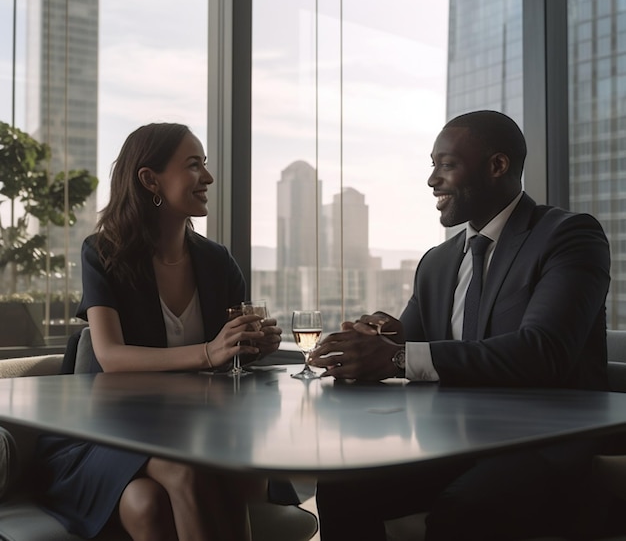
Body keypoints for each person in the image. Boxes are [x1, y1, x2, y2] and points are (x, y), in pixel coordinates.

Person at [309, 110, 611, 541]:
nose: (432, 179)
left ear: (497, 165)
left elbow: (544, 352)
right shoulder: (437, 262)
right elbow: (412, 344)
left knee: (463, 509)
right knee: (340, 488)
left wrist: (397, 356)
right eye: (432, 165)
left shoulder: (568, 235)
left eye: (446, 165)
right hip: (454, 439)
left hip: (541, 441)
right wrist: (378, 338)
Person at [34, 123, 282, 541]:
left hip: (195, 427)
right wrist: (208, 352)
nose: (208, 177)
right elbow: (111, 357)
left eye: (205, 165)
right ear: (150, 179)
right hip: (108, 432)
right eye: (193, 166)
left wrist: (251, 345)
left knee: (146, 503)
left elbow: (229, 357)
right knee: (186, 469)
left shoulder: (217, 261)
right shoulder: (102, 252)